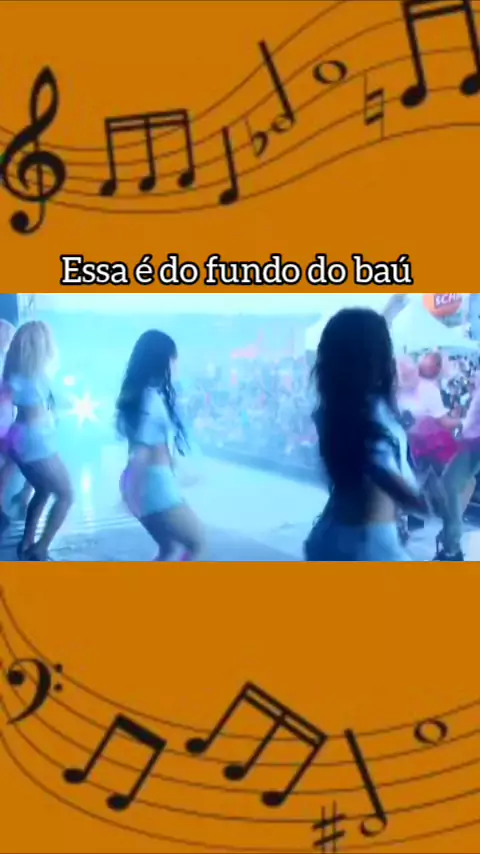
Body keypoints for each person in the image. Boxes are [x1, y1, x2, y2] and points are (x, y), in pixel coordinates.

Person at [304, 308, 427, 561]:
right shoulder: (372, 415)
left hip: (332, 534)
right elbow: (384, 474)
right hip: (370, 543)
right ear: (375, 356)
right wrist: (423, 499)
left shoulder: (336, 409)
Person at [116, 330, 204, 561]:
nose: (177, 366)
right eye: (174, 359)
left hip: (152, 482)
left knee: (169, 548)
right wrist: (132, 494)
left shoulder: (138, 396)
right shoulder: (151, 401)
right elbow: (142, 453)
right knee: (196, 542)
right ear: (162, 361)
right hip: (155, 486)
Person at [3, 321, 74, 560]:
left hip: (19, 436)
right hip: (37, 441)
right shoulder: (39, 376)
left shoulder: (12, 375)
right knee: (66, 494)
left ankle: (27, 542)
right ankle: (41, 546)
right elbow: (61, 399)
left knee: (43, 490)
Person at [435, 373, 480, 560]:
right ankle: (450, 540)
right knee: (453, 485)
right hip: (470, 439)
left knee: (448, 484)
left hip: (474, 442)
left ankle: (452, 546)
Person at [0, 320, 32, 535]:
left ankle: (21, 498)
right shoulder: (6, 362)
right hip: (5, 424)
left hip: (7, 422)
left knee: (14, 461)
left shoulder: (7, 361)